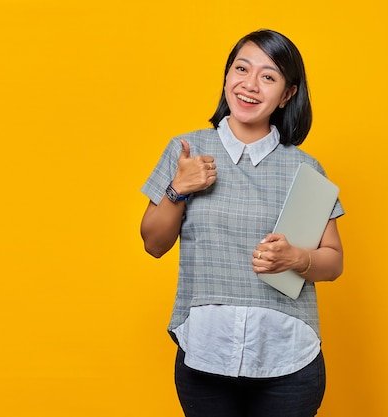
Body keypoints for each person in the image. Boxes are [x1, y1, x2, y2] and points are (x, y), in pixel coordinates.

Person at [140, 29, 344, 417]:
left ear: (287, 94)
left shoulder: (305, 168)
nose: (250, 84)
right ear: (227, 76)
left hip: (288, 357)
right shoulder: (186, 151)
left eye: (268, 76)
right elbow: (153, 244)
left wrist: (296, 259)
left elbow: (334, 261)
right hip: (206, 352)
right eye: (241, 69)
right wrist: (177, 190)